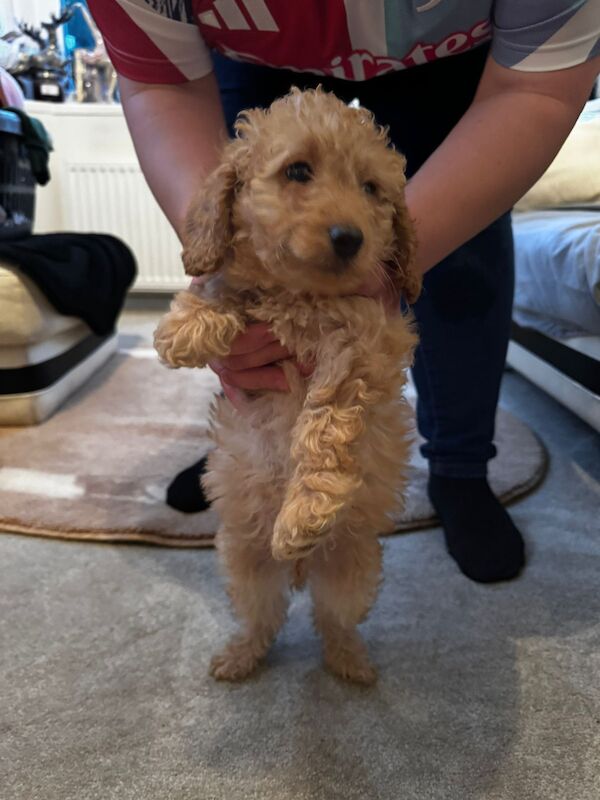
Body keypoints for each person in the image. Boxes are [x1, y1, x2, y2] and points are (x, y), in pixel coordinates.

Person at [88, 0, 599, 583]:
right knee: (247, 274)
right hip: (247, 49)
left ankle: (460, 466)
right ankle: (252, 449)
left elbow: (533, 92)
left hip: (444, 57)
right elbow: (165, 89)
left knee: (460, 257)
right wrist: (220, 258)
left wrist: (390, 267)